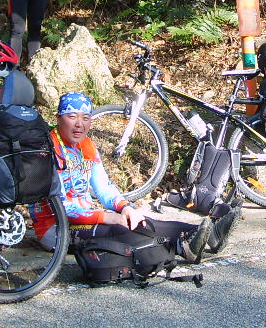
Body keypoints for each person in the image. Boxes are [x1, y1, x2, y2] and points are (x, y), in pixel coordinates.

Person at [30, 92, 242, 264]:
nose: (79, 124)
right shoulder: (46, 149)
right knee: (120, 229)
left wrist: (125, 207)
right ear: (58, 118)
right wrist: (105, 217)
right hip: (56, 228)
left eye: (85, 118)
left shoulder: (86, 146)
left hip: (85, 217)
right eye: (72, 116)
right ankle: (181, 246)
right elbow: (60, 205)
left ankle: (206, 233)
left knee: (138, 220)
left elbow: (103, 187)